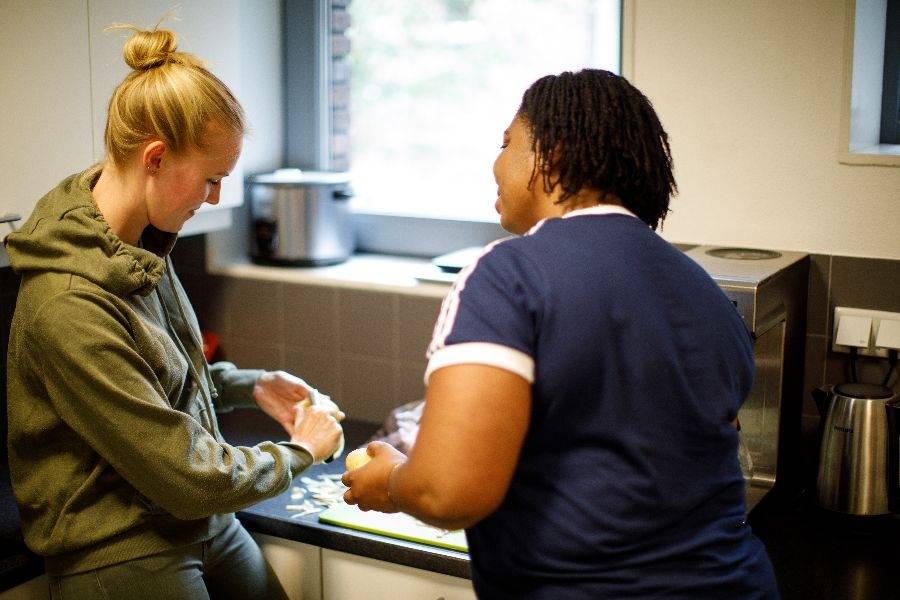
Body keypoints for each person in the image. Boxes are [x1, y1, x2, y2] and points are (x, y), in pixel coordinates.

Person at [343, 69, 779, 599]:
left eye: (507, 143)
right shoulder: (709, 294)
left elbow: (446, 490)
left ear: (550, 154)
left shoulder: (508, 274)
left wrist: (389, 479)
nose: (495, 163)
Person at [4, 25, 343, 600]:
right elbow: (185, 476)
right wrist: (301, 451)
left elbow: (155, 381)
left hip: (200, 523)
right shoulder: (68, 304)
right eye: (211, 179)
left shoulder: (140, 246)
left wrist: (247, 386)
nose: (214, 198)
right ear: (155, 158)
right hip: (119, 546)